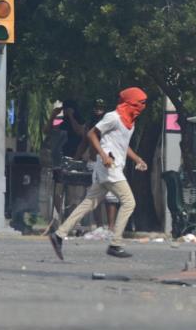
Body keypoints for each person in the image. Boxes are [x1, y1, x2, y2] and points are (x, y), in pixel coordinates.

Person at [49, 87, 148, 259]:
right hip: (109, 167)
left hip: (114, 165)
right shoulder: (113, 117)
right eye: (140, 102)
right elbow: (91, 134)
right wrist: (103, 156)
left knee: (89, 203)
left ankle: (58, 235)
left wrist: (138, 159)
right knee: (129, 202)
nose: (142, 106)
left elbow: (124, 146)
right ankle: (115, 243)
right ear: (130, 102)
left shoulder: (129, 122)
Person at [77, 98, 118, 234]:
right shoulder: (90, 124)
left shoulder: (111, 122)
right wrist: (75, 159)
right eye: (96, 106)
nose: (98, 109)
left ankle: (111, 228)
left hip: (108, 163)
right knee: (96, 196)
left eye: (101, 106)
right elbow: (84, 142)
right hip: (93, 163)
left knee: (111, 196)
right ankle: (99, 227)